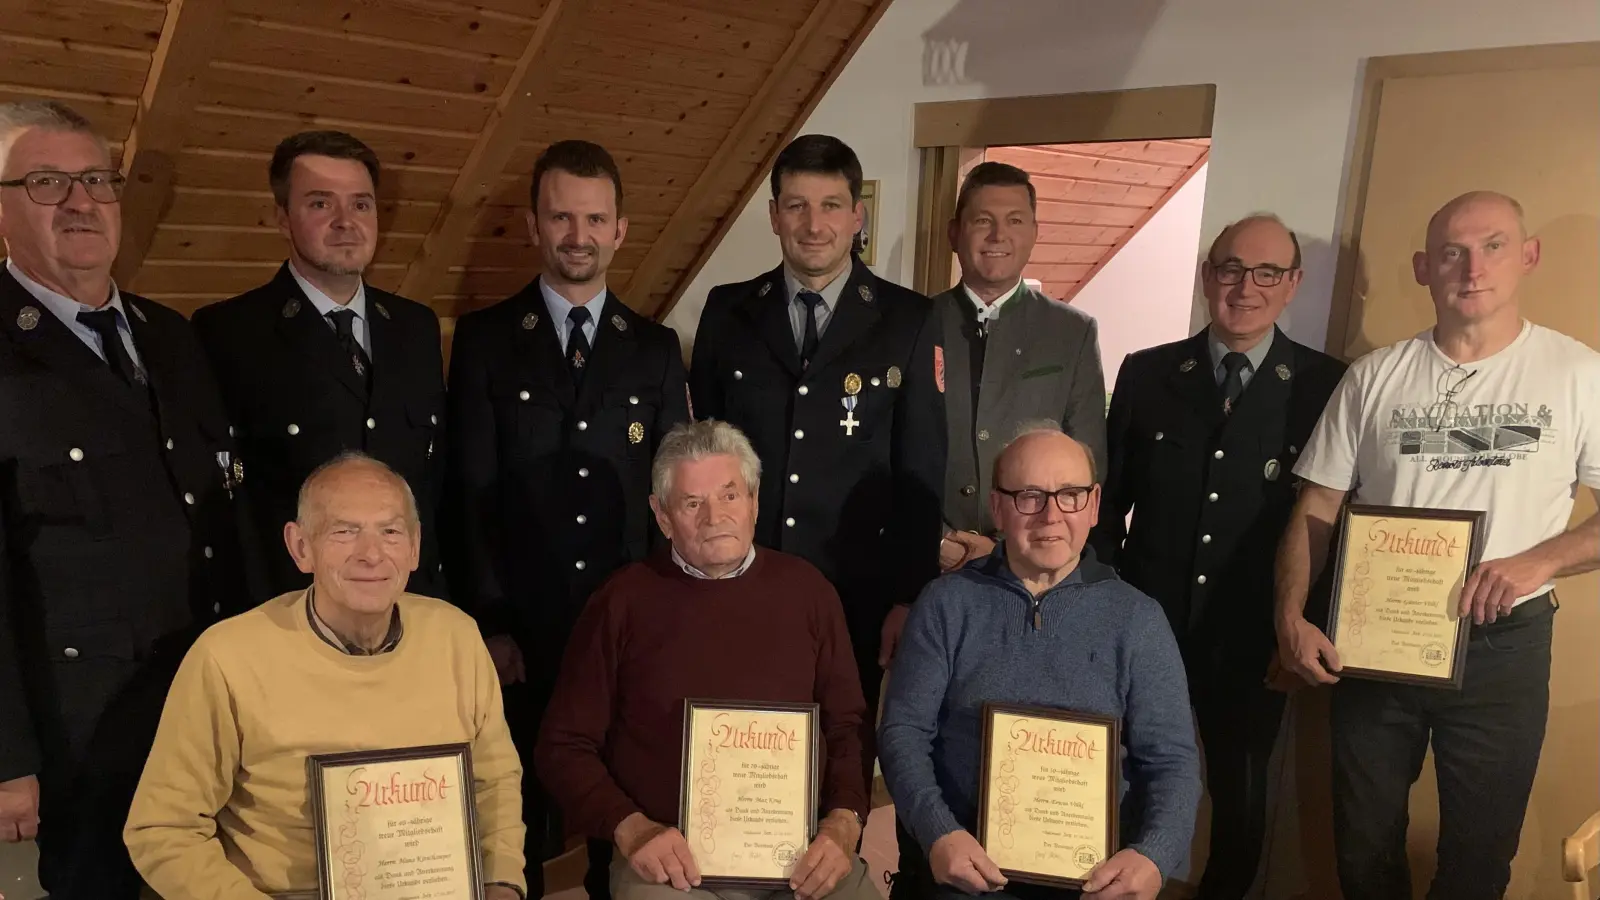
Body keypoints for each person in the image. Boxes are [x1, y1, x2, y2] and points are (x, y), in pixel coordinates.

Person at [1275, 191, 1600, 900]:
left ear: (1529, 257)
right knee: (1362, 850)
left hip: (1502, 648)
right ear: (1424, 268)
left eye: (1493, 246)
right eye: (1451, 251)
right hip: (1374, 642)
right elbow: (1319, 504)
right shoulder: (1374, 377)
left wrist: (1534, 562)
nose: (1472, 267)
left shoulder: (1578, 374)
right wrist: (1292, 616)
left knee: (1478, 861)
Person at [0, 99, 249, 900]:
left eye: (98, 180)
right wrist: (7, 758)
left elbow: (220, 517)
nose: (81, 201)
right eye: (47, 181)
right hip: (89, 727)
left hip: (210, 704)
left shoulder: (172, 337)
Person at [445, 138, 690, 898]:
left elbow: (669, 496)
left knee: (618, 798)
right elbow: (466, 488)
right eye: (561, 218)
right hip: (524, 621)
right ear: (533, 226)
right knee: (513, 802)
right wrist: (488, 620)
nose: (577, 236)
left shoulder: (652, 348)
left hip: (623, 621)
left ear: (620, 230)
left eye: (594, 218)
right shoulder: (486, 339)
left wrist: (661, 613)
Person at [123, 453, 525, 900]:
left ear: (414, 547)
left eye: (390, 532)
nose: (371, 554)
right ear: (300, 547)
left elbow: (495, 781)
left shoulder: (457, 637)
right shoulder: (227, 656)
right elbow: (162, 829)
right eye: (344, 531)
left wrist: (501, 881)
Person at [1089, 214, 1345, 899]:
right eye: (1230, 268)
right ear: (1207, 275)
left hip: (1255, 637)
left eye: (1267, 273)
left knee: (1241, 798)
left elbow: (1330, 527)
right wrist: (1100, 615)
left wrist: (1301, 630)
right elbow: (1108, 510)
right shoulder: (1147, 373)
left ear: (1292, 284)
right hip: (1148, 629)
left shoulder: (1326, 385)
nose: (1245, 287)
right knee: (1125, 785)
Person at [535, 419, 878, 900]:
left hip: (798, 851)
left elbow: (848, 725)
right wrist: (632, 830)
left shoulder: (809, 592)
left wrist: (843, 823)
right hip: (672, 863)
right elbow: (563, 745)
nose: (714, 516)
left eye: (730, 495)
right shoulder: (621, 602)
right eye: (692, 503)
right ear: (661, 514)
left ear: (755, 501)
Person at [880, 425, 1200, 900]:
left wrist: (1154, 855)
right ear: (997, 507)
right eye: (1029, 496)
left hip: (1093, 884)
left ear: (1093, 505)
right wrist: (938, 832)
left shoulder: (1138, 620)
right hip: (963, 873)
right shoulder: (947, 604)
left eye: (1069, 495)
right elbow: (903, 731)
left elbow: (1172, 761)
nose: (1051, 515)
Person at [688, 134, 946, 716]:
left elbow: (920, 471)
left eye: (831, 205)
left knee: (842, 752)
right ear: (774, 216)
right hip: (739, 579)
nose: (814, 224)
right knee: (738, 741)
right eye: (796, 205)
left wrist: (908, 598)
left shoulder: (908, 318)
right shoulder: (728, 310)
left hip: (855, 591)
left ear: (858, 216)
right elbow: (698, 459)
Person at [193, 130, 448, 599]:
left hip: (410, 601)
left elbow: (432, 485)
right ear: (282, 219)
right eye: (320, 204)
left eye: (361, 205)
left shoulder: (415, 327)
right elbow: (229, 503)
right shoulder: (229, 333)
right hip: (293, 611)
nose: (345, 222)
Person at [935, 162, 1108, 574]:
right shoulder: (916, 323)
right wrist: (936, 540)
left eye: (1014, 220)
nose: (998, 235)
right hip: (934, 563)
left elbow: (1087, 459)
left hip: (1032, 563)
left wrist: (1011, 543)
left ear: (1034, 233)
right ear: (954, 233)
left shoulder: (1072, 332)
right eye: (982, 221)